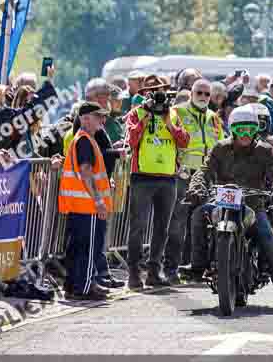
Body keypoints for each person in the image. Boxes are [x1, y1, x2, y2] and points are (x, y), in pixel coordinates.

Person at [185, 106, 273, 304]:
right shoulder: (220, 148)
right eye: (241, 130)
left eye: (250, 129)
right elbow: (204, 171)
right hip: (221, 203)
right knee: (197, 214)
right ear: (232, 130)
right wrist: (196, 187)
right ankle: (197, 266)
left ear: (257, 130)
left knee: (269, 242)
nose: (245, 135)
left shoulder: (266, 150)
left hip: (253, 207)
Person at [125, 79, 190, 288]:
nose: (157, 96)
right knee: (138, 227)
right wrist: (147, 116)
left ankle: (154, 270)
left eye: (160, 91)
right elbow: (132, 140)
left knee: (162, 228)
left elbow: (184, 141)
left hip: (167, 178)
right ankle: (134, 272)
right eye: (152, 92)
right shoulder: (136, 113)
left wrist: (169, 123)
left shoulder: (173, 114)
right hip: (142, 176)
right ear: (145, 94)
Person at [167, 79, 224, 284]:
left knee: (201, 222)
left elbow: (222, 144)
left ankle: (195, 267)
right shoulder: (178, 112)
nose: (202, 97)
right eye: (199, 92)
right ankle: (171, 269)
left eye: (206, 94)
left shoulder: (213, 118)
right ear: (191, 93)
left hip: (206, 176)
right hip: (184, 174)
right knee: (178, 222)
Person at [58, 102, 115, 301]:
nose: (102, 120)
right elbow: (85, 171)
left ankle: (74, 285)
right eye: (98, 116)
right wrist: (98, 200)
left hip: (79, 206)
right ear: (85, 118)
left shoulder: (83, 139)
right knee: (88, 248)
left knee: (77, 247)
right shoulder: (84, 140)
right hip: (87, 206)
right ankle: (83, 287)